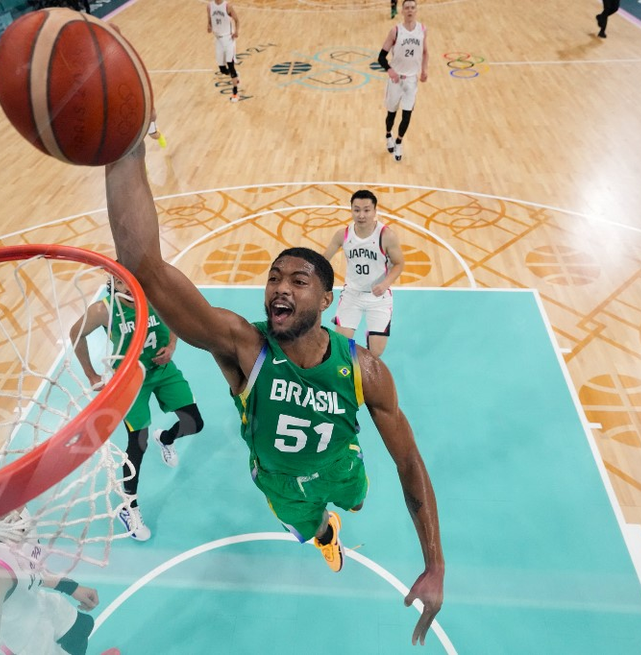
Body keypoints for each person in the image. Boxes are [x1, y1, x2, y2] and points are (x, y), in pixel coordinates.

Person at [104, 142, 444, 645]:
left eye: (299, 280)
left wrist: (434, 564)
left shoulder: (363, 370)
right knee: (311, 530)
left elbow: (409, 462)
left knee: (356, 500)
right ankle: (325, 536)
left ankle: (340, 510)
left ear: (327, 299)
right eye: (273, 278)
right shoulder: (245, 346)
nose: (280, 288)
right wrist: (124, 149)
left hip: (344, 467)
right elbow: (144, 266)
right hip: (280, 485)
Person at [70, 274, 204, 542]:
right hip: (131, 381)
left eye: (132, 280)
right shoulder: (103, 310)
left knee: (194, 423)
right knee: (137, 442)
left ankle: (165, 439)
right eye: (120, 283)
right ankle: (128, 507)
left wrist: (173, 345)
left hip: (162, 370)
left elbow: (175, 315)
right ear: (113, 286)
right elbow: (76, 334)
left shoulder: (157, 294)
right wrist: (91, 375)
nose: (128, 286)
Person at [0, 464, 104, 655]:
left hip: (32, 603)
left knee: (82, 627)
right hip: (17, 643)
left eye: (6, 490)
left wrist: (71, 587)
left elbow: (29, 566)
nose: (13, 503)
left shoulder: (17, 515)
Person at [322, 190, 405, 357]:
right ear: (351, 210)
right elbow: (323, 261)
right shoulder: (343, 235)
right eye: (357, 210)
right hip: (352, 294)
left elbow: (399, 264)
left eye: (366, 210)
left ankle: (368, 346)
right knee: (342, 348)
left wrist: (385, 284)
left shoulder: (386, 235)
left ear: (375, 211)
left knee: (375, 353)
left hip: (379, 298)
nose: (361, 215)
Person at [377, 0, 428, 162]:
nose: (410, 11)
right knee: (391, 114)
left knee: (407, 115)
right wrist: (390, 70)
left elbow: (426, 52)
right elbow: (381, 57)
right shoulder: (395, 31)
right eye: (407, 8)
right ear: (402, 11)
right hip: (396, 80)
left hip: (411, 80)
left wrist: (425, 69)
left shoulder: (422, 29)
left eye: (413, 8)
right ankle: (388, 135)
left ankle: (399, 142)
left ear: (416, 10)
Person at [206, 0, 240, 102]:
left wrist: (237, 31)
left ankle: (235, 93)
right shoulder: (209, 6)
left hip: (228, 39)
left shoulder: (227, 6)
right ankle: (236, 76)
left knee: (230, 65)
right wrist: (209, 26)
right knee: (222, 69)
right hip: (218, 39)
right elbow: (210, 21)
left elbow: (237, 20)